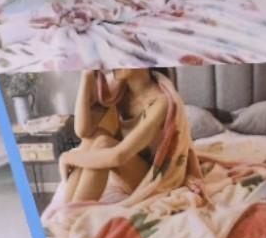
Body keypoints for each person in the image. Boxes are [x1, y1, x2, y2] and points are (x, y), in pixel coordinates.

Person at [43, 68, 202, 219]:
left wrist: (67, 157)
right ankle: (66, 209)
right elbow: (83, 131)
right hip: (129, 166)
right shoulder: (116, 88)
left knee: (104, 144)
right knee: (94, 139)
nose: (112, 64)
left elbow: (119, 156)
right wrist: (86, 75)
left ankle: (72, 216)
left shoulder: (161, 101)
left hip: (151, 177)